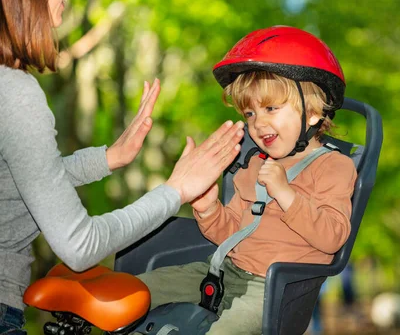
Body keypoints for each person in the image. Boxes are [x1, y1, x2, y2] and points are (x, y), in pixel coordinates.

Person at [0, 0, 245, 333]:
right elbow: (80, 248)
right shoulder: (15, 93)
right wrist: (175, 192)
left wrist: (108, 158)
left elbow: (15, 181)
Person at [137, 26, 358, 334]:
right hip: (225, 270)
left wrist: (286, 193)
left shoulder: (334, 166)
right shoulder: (254, 164)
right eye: (250, 113)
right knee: (138, 291)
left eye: (271, 108)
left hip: (273, 291)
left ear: (313, 113)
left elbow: (333, 237)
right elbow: (230, 232)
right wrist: (208, 208)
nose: (258, 122)